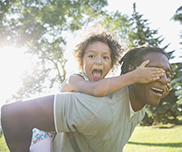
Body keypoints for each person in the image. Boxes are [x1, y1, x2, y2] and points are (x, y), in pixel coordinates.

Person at [1, 45, 173, 152]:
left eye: (167, 74)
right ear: (132, 71)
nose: (164, 79)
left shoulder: (139, 107)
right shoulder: (99, 107)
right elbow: (12, 114)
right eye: (155, 71)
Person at [30, 27, 165, 151]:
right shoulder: (75, 79)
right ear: (81, 61)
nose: (98, 61)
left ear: (111, 65)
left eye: (105, 57)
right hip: (46, 132)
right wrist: (134, 76)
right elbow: (94, 89)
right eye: (91, 56)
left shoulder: (108, 85)